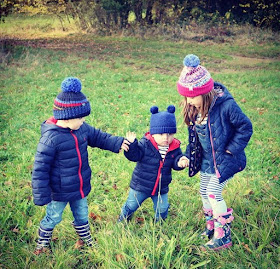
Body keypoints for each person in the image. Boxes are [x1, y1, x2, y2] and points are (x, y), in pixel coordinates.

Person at [32, 77, 130, 255]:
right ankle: (42, 242)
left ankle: (85, 238)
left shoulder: (81, 128)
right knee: (53, 216)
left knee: (82, 214)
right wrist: (41, 194)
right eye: (81, 118)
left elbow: (100, 137)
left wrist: (119, 142)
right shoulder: (50, 138)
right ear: (67, 118)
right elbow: (40, 169)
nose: (84, 121)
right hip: (59, 189)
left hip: (80, 185)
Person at [177, 54, 253, 250]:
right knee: (203, 191)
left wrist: (231, 150)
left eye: (192, 96)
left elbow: (245, 127)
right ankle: (211, 226)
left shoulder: (226, 105)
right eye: (186, 96)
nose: (189, 100)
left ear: (205, 92)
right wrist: (187, 154)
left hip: (227, 160)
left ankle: (223, 236)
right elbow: (194, 139)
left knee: (213, 192)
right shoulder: (193, 109)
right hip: (207, 161)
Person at [118, 105, 188, 223]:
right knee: (132, 204)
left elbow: (176, 161)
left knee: (162, 208)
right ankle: (124, 218)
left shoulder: (174, 147)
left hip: (161, 186)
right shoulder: (145, 144)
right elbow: (134, 156)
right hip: (141, 185)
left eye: (170, 134)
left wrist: (180, 162)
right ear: (153, 133)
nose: (166, 137)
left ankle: (159, 225)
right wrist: (131, 145)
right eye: (161, 134)